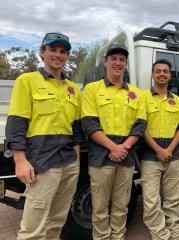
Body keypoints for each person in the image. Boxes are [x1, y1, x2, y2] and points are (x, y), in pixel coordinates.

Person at [6, 32, 83, 239]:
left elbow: (76, 127)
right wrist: (20, 159)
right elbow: (16, 122)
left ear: (67, 56)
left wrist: (76, 156)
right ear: (42, 52)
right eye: (53, 49)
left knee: (57, 221)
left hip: (68, 163)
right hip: (42, 162)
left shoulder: (73, 89)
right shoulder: (27, 80)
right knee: (33, 228)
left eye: (63, 51)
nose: (58, 55)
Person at [81, 44, 146, 240]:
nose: (118, 63)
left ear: (126, 64)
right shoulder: (92, 89)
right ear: (105, 62)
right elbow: (89, 123)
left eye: (122, 60)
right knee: (99, 207)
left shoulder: (137, 93)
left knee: (121, 205)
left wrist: (123, 148)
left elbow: (140, 125)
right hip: (101, 156)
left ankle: (118, 236)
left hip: (125, 156)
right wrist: (113, 148)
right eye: (114, 58)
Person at [140, 59, 179, 240]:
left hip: (173, 157)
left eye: (165, 71)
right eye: (158, 71)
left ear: (170, 75)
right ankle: (160, 234)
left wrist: (169, 150)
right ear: (152, 74)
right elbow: (140, 127)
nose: (161, 74)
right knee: (151, 201)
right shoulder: (142, 97)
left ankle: (174, 232)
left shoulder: (178, 101)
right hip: (150, 157)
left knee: (173, 200)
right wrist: (159, 150)